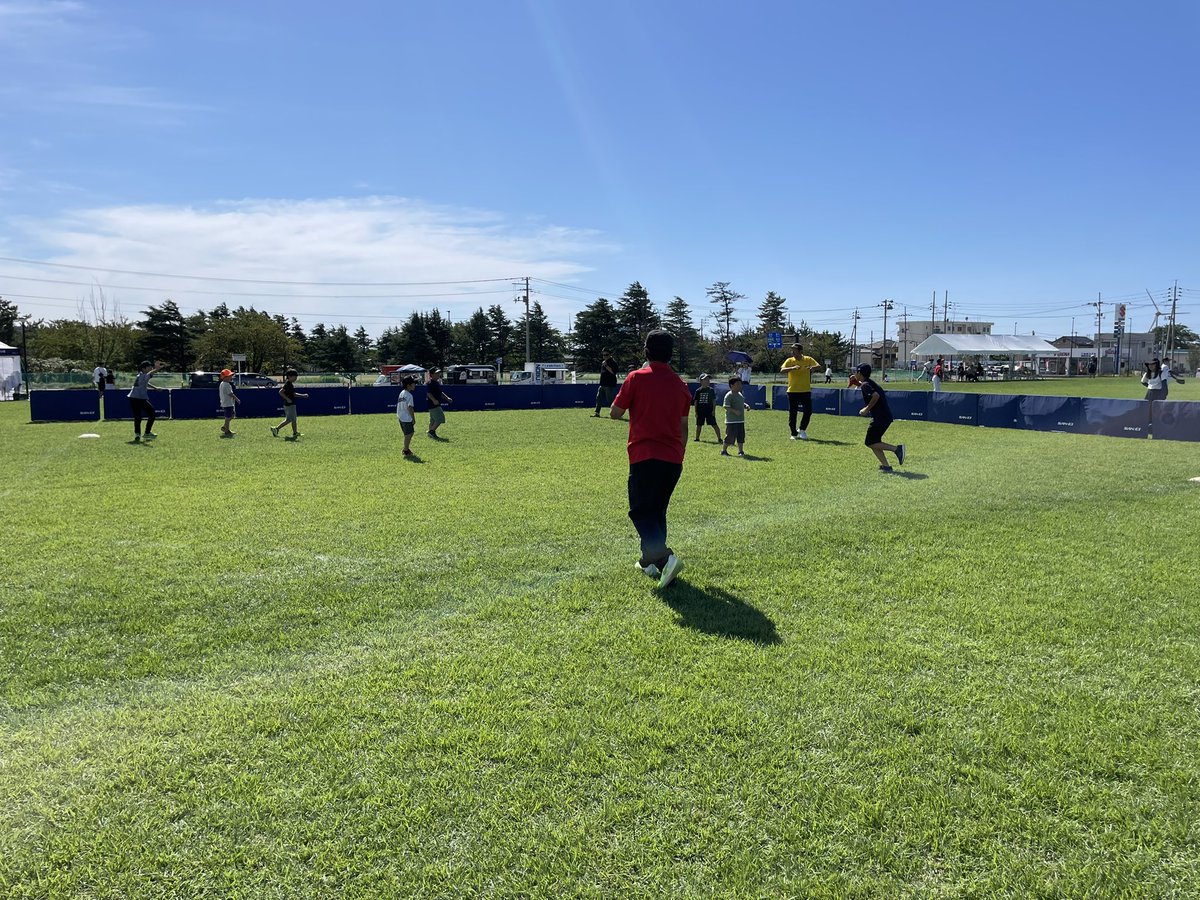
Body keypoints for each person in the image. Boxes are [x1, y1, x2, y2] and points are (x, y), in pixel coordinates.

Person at [610, 329, 690, 590]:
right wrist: (681, 453)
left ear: (646, 351)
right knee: (657, 511)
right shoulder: (680, 384)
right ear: (671, 355)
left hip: (645, 456)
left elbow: (615, 412)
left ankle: (665, 558)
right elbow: (683, 426)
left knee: (640, 510)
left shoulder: (636, 378)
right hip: (673, 458)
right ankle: (649, 562)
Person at [855, 364, 905, 473]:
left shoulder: (865, 385)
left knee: (869, 442)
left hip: (880, 418)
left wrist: (866, 409)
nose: (855, 374)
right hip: (884, 417)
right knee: (874, 442)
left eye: (856, 372)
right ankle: (886, 466)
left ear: (860, 373)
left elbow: (875, 395)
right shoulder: (868, 383)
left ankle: (897, 449)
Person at [780, 342, 821, 439]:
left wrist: (812, 367)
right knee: (793, 413)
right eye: (792, 350)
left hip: (805, 390)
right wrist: (792, 368)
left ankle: (802, 429)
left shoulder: (808, 359)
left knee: (808, 411)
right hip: (792, 390)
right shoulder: (789, 360)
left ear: (800, 351)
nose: (793, 352)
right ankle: (793, 433)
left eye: (795, 350)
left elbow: (818, 366)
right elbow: (782, 370)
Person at [127, 360, 165, 442]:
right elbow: (150, 374)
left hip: (133, 398)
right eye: (149, 367)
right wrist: (157, 368)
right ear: (144, 368)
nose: (150, 368)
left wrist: (155, 388)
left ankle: (138, 434)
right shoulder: (144, 375)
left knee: (138, 417)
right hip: (138, 398)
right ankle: (147, 433)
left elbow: (146, 383)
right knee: (151, 414)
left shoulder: (140, 375)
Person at [271, 369, 309, 439]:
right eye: (295, 377)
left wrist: (303, 396)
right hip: (289, 404)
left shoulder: (290, 384)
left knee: (292, 419)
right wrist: (287, 399)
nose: (296, 378)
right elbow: (280, 392)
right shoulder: (288, 384)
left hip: (291, 404)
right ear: (289, 376)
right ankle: (276, 429)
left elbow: (293, 394)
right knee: (291, 419)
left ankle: (294, 433)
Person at [720, 375, 749, 457]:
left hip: (740, 420)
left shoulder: (740, 394)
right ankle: (724, 450)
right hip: (731, 421)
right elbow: (726, 406)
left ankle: (741, 451)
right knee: (730, 437)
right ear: (732, 386)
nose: (740, 386)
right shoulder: (729, 395)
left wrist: (746, 405)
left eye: (740, 384)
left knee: (741, 436)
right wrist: (735, 411)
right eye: (738, 384)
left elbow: (740, 403)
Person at [692, 373, 722, 443]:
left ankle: (719, 438)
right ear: (701, 381)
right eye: (705, 379)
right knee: (699, 424)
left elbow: (713, 401)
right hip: (700, 411)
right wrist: (696, 412)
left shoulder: (711, 390)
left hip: (709, 411)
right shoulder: (698, 391)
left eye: (708, 380)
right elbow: (696, 402)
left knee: (714, 424)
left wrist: (713, 410)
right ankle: (697, 438)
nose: (707, 381)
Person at [425, 367, 453, 438]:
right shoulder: (431, 383)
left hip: (434, 404)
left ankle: (430, 432)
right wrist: (434, 400)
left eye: (438, 373)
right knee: (440, 418)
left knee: (433, 419)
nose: (438, 374)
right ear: (431, 374)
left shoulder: (436, 383)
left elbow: (440, 393)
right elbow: (428, 393)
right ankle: (431, 432)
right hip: (434, 404)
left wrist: (447, 398)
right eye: (436, 373)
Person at [396, 375, 417, 457]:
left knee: (408, 433)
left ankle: (406, 449)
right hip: (406, 418)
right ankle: (405, 450)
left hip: (401, 417)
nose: (415, 385)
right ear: (408, 385)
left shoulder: (402, 393)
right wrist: (413, 418)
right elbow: (410, 407)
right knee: (409, 434)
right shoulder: (409, 395)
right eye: (413, 383)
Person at [593, 350, 618, 417]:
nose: (605, 356)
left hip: (609, 384)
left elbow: (613, 372)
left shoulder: (613, 363)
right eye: (603, 355)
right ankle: (597, 413)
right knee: (598, 398)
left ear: (610, 355)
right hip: (602, 384)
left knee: (610, 400)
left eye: (606, 355)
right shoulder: (604, 362)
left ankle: (615, 413)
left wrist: (606, 366)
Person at [218, 368, 240, 437]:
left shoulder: (222, 384)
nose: (231, 377)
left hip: (226, 403)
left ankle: (226, 428)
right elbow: (230, 394)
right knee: (229, 416)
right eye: (229, 376)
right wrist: (237, 399)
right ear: (225, 377)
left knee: (231, 415)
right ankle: (226, 429)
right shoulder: (226, 385)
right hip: (228, 403)